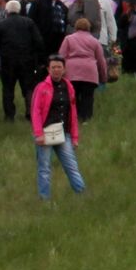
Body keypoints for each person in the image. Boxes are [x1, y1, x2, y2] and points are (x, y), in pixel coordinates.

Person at [29, 56, 85, 200]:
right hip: (45, 132)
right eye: (53, 67)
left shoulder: (69, 86)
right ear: (48, 69)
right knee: (44, 168)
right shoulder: (41, 87)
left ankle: (82, 193)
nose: (56, 70)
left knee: (71, 165)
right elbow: (35, 111)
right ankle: (44, 198)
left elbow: (72, 112)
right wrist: (38, 134)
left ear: (64, 69)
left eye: (59, 67)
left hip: (64, 132)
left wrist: (75, 137)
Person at [0, 0, 43, 122]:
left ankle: (9, 115)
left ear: (7, 11)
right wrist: (37, 57)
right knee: (28, 87)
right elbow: (39, 41)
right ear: (19, 10)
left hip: (7, 61)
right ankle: (30, 112)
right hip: (27, 61)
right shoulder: (29, 22)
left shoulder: (0, 25)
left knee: (8, 88)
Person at [58, 17, 107, 122]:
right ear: (89, 28)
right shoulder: (94, 41)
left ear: (76, 27)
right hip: (90, 73)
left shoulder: (68, 39)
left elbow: (61, 57)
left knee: (73, 96)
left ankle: (74, 118)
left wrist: (59, 74)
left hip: (71, 73)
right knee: (88, 97)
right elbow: (101, 60)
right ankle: (86, 119)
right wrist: (103, 77)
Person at [28, 0, 68, 65]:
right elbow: (31, 21)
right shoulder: (38, 3)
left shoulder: (62, 6)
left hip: (58, 41)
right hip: (41, 40)